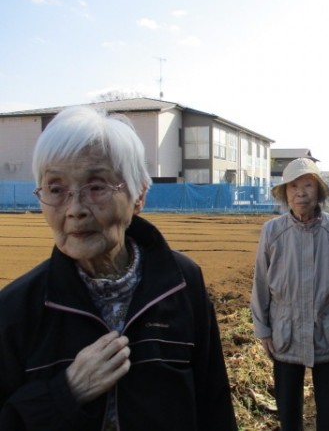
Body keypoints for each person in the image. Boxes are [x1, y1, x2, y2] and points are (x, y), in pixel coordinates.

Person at [0, 106, 237, 430]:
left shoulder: (182, 282)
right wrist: (66, 393)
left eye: (96, 186)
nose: (75, 209)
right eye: (56, 189)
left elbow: (214, 406)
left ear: (139, 195)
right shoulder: (16, 309)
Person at [251, 158, 329, 431]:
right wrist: (263, 330)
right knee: (288, 415)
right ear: (285, 193)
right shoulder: (272, 232)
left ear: (319, 190)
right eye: (293, 186)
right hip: (285, 332)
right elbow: (261, 283)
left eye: (308, 185)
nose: (301, 193)